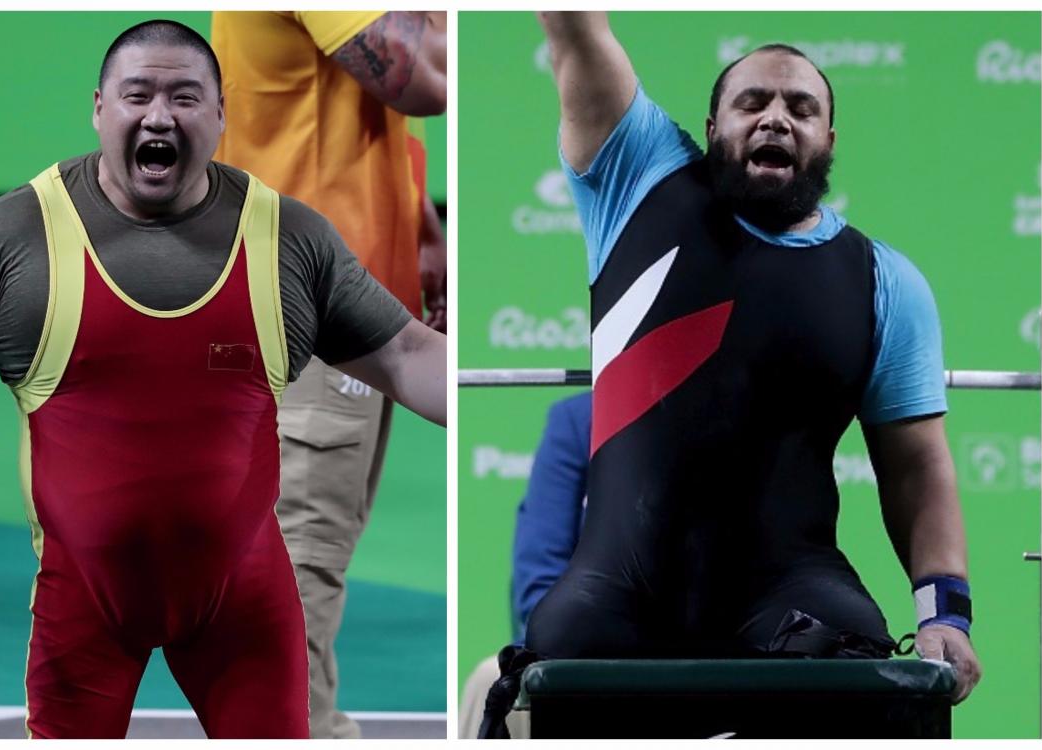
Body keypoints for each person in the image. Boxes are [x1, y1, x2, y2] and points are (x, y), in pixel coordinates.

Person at [0, 19, 445, 740]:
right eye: (137, 95)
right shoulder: (19, 234)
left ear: (222, 114)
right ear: (99, 108)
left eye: (185, 97)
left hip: (246, 610)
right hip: (85, 609)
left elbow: (406, 356)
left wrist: (514, 405)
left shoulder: (289, 238)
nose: (159, 116)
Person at [480, 12, 981, 734]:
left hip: (788, 591)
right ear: (713, 126)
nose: (776, 117)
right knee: (556, 657)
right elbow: (574, 28)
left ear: (829, 141)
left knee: (898, 688)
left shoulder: (886, 283)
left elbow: (917, 469)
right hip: (618, 592)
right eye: (753, 103)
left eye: (801, 108)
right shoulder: (638, 175)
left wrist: (946, 617)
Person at [210, 11, 446, 739]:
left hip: (349, 301)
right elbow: (420, 78)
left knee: (310, 552)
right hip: (303, 300)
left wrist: (420, 224)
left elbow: (352, 109)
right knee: (297, 560)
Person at [458, 392, 590, 739]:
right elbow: (540, 573)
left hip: (717, 643)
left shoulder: (737, 402)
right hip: (588, 643)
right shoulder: (581, 419)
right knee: (490, 679)